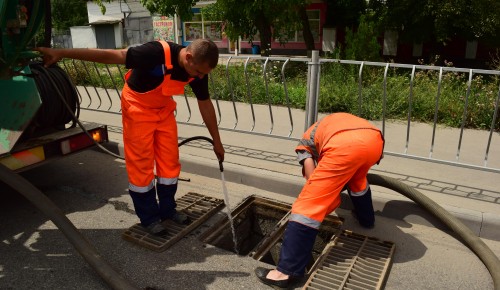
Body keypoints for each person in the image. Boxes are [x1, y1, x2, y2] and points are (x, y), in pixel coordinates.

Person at [35, 39, 225, 236]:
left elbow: (205, 105)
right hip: (138, 109)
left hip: (163, 111)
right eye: (199, 72)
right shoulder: (154, 53)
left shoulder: (198, 70)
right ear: (188, 58)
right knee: (141, 166)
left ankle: (168, 210)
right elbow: (111, 55)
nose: (201, 77)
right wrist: (62, 52)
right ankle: (149, 218)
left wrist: (217, 143)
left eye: (204, 74)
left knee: (169, 163)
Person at [255, 112, 384, 289]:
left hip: (345, 145)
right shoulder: (329, 124)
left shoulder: (304, 146)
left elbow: (311, 179)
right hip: (375, 141)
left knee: (307, 206)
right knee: (358, 180)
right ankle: (367, 220)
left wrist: (320, 196)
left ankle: (284, 273)